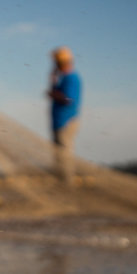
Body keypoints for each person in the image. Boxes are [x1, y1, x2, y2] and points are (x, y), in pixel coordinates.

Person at [48, 46, 81, 181]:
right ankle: (62, 182)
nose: (54, 65)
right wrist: (53, 81)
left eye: (56, 63)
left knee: (64, 155)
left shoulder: (71, 78)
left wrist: (55, 95)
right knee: (59, 156)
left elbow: (69, 99)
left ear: (62, 63)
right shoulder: (63, 78)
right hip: (59, 122)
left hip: (66, 122)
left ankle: (67, 183)